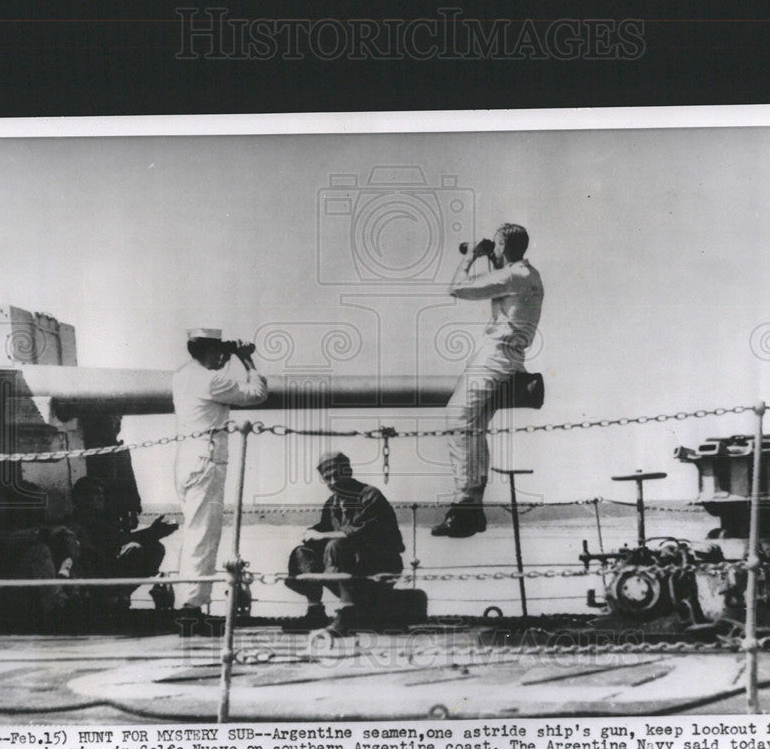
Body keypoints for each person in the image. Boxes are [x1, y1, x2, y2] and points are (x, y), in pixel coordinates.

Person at [433, 223, 544, 538]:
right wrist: (492, 256)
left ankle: (465, 504)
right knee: (475, 423)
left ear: (503, 246)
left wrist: (469, 257)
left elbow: (458, 288)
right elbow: (501, 278)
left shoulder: (514, 276)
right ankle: (471, 510)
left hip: (495, 356)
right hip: (510, 356)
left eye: (495, 246)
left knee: (457, 417)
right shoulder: (526, 274)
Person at [172, 328, 268, 615]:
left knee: (193, 534)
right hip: (207, 462)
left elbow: (216, 377)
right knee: (204, 535)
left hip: (187, 459)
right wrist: (247, 360)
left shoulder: (183, 375)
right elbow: (256, 394)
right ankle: (190, 610)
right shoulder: (210, 380)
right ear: (209, 351)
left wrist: (227, 357)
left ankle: (186, 601)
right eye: (218, 352)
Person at [285, 451, 404, 635]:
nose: (333, 482)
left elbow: (363, 533)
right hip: (346, 566)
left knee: (336, 545)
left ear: (348, 472)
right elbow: (325, 529)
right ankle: (315, 610)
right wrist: (311, 533)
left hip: (378, 565)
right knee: (302, 552)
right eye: (327, 478)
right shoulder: (332, 502)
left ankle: (347, 613)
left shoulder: (370, 495)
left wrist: (323, 536)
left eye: (337, 475)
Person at [69, 475, 177, 610]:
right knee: (136, 550)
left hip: (107, 567)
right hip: (96, 572)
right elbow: (117, 541)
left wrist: (153, 531)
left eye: (102, 493)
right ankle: (115, 598)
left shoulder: (102, 519)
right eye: (94, 493)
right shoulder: (81, 520)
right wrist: (153, 532)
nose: (101, 497)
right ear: (80, 497)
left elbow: (120, 539)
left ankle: (122, 596)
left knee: (154, 548)